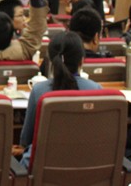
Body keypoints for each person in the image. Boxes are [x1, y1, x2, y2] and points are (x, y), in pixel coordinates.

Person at [18, 31, 102, 167]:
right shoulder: (97, 90)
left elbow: (26, 140)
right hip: (88, 166)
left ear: (51, 61)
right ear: (82, 60)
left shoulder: (39, 90)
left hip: (42, 169)